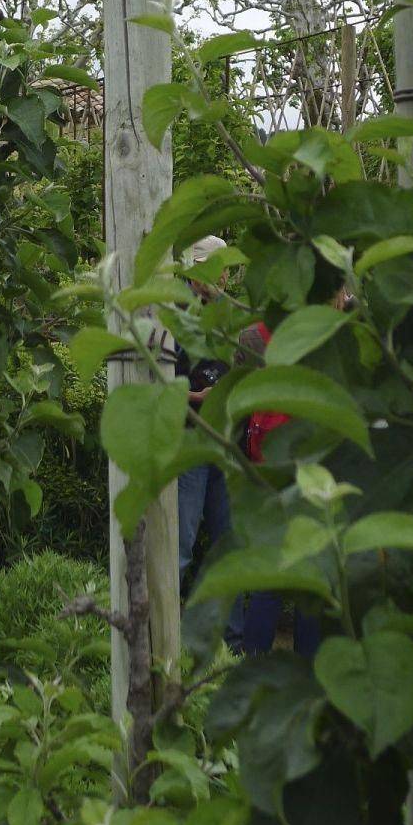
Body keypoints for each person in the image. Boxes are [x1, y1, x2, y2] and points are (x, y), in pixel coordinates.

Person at [175, 235, 244, 651]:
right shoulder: (172, 310)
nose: (218, 275)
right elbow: (157, 379)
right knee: (180, 542)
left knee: (227, 543)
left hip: (225, 440)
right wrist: (192, 396)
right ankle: (169, 642)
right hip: (189, 440)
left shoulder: (227, 311)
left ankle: (230, 645)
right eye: (210, 267)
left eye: (222, 268)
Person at [239, 321, 321, 659]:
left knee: (268, 579)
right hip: (312, 473)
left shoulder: (254, 335)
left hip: (266, 473)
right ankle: (308, 666)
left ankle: (252, 658)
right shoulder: (325, 334)